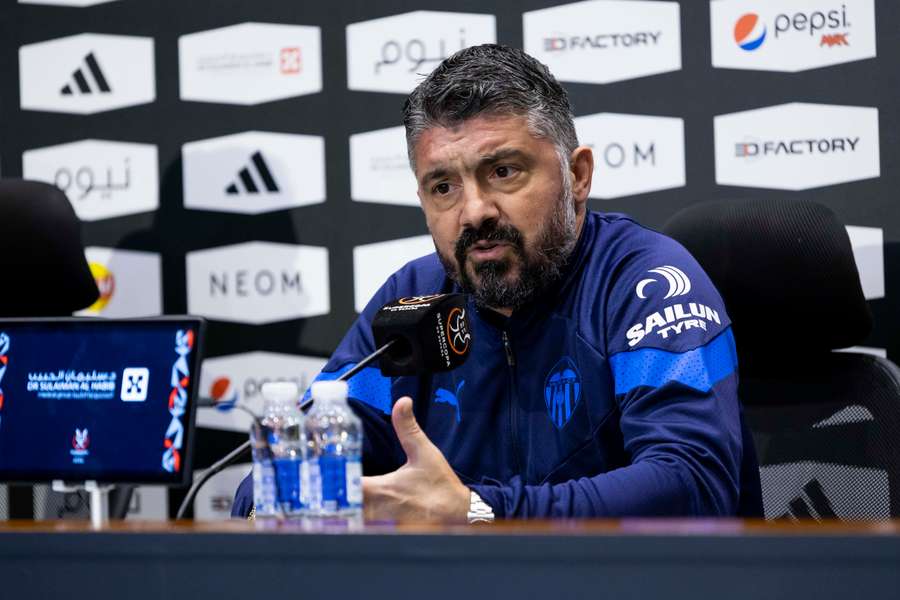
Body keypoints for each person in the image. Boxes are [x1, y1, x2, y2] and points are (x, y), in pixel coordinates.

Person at [233, 44, 762, 521]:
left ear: (577, 176)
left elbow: (693, 483)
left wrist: (479, 513)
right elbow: (278, 472)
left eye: (503, 172)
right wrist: (269, 501)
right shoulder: (412, 300)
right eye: (443, 186)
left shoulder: (644, 282)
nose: (474, 212)